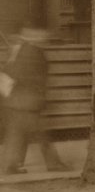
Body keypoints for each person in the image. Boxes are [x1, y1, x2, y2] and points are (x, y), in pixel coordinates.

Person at [2, 27, 69, 174]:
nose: (44, 38)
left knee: (17, 134)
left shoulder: (19, 50)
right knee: (40, 134)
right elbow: (29, 76)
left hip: (16, 100)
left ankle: (11, 166)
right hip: (28, 100)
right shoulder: (32, 51)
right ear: (31, 36)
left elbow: (12, 72)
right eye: (41, 35)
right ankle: (53, 164)